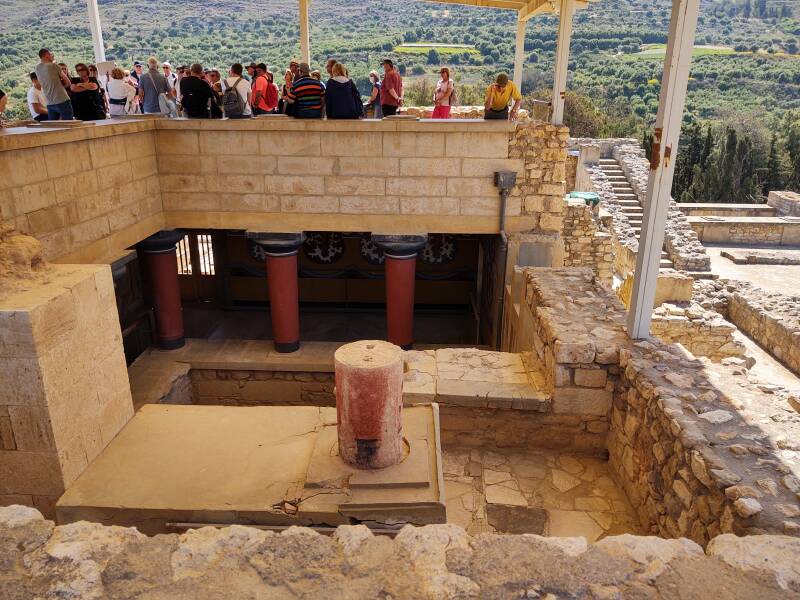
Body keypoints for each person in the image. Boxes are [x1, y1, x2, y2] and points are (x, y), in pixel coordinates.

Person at [35, 49, 74, 120]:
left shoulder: (37, 68)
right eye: (50, 54)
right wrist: (61, 87)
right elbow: (68, 82)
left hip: (50, 103)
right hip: (62, 100)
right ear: (46, 55)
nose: (52, 55)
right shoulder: (54, 66)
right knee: (69, 125)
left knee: (54, 127)